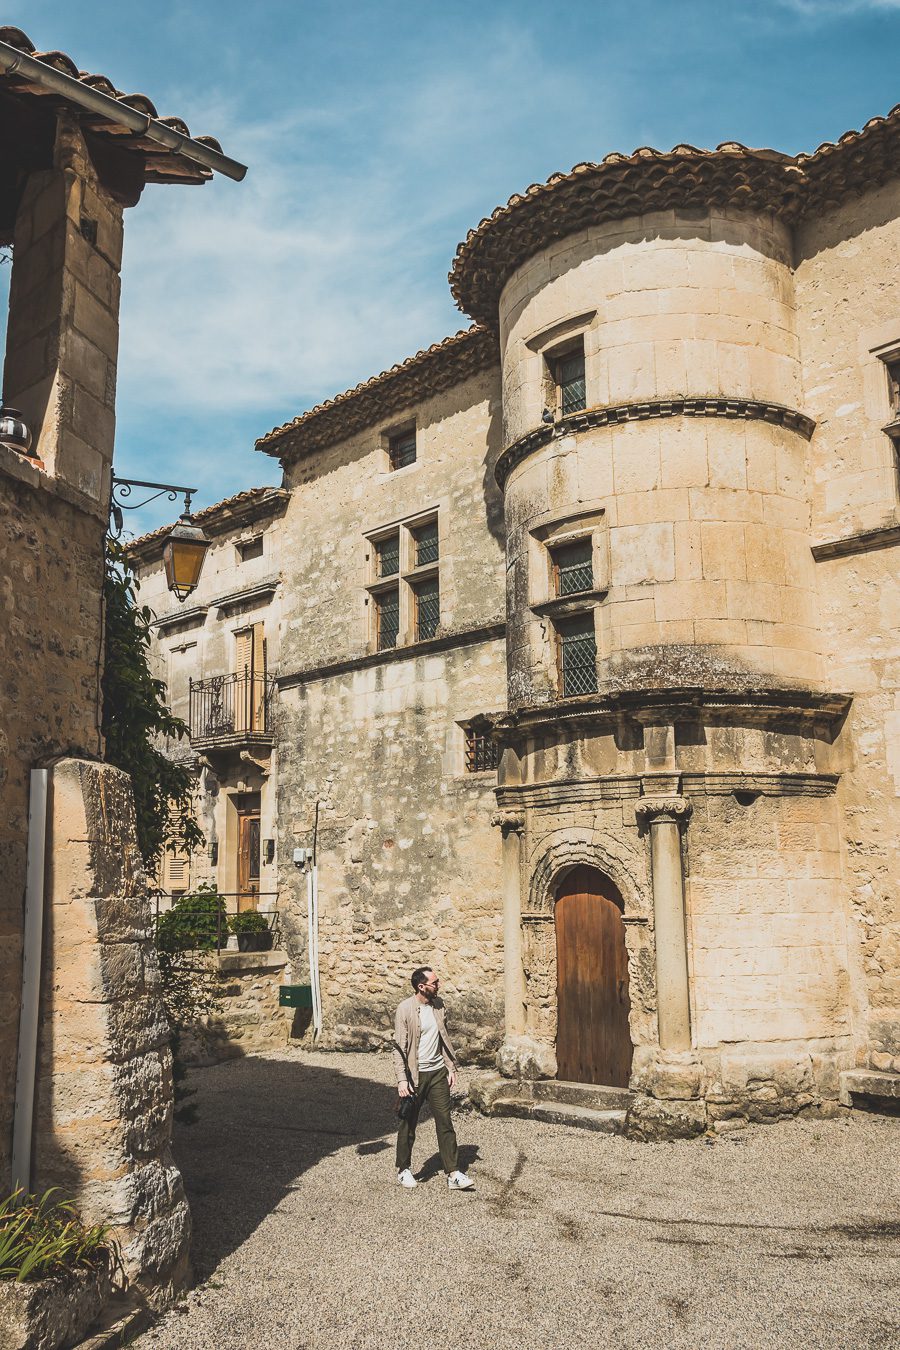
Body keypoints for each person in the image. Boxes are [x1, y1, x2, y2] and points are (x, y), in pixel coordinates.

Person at [393, 965, 475, 1190]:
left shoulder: (439, 1005)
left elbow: (443, 1038)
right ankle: (404, 1169)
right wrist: (402, 1079)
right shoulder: (405, 1009)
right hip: (415, 1076)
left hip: (438, 1072)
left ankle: (453, 1173)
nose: (438, 985)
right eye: (434, 983)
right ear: (421, 987)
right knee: (408, 1122)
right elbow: (399, 1047)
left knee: (445, 1122)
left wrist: (450, 1067)